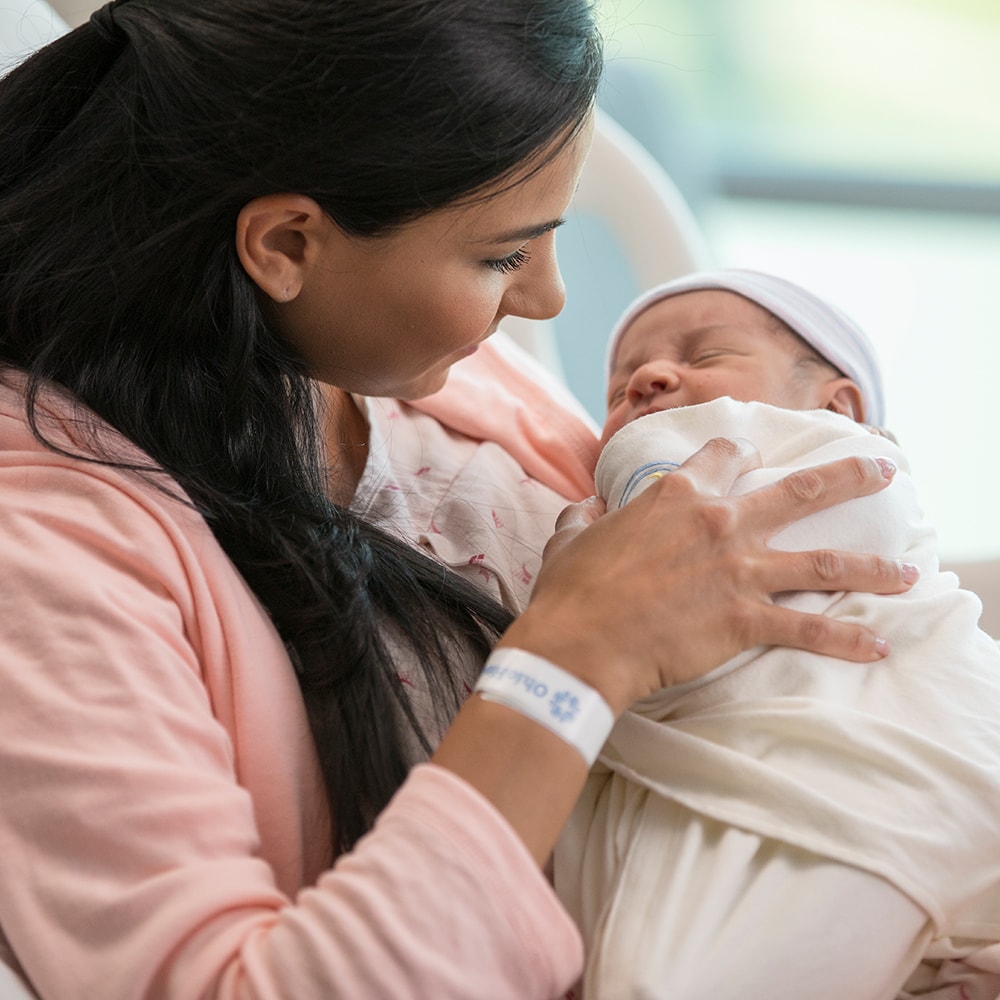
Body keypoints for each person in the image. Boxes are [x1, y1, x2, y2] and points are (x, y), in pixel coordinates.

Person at [0, 3, 914, 997]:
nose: (548, 301)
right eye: (500, 255)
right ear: (287, 244)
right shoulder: (45, 550)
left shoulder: (420, 373)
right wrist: (571, 659)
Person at [551, 269, 1000, 999]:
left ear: (839, 404)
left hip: (862, 769)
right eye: (620, 383)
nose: (648, 379)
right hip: (720, 773)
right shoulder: (583, 513)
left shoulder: (845, 459)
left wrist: (644, 478)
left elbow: (669, 551)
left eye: (705, 356)